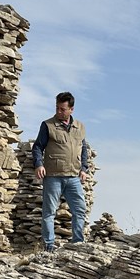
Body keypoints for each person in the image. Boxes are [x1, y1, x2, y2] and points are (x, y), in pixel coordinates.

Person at [32, 91, 90, 250]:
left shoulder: (80, 127)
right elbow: (37, 147)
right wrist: (39, 164)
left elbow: (83, 149)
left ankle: (78, 244)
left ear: (71, 109)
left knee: (79, 210)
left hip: (73, 177)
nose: (58, 112)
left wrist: (84, 168)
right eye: (57, 108)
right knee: (49, 213)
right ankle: (49, 247)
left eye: (62, 109)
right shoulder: (47, 125)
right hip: (53, 176)